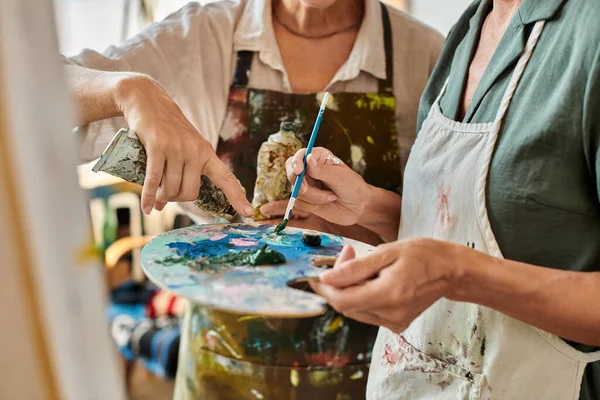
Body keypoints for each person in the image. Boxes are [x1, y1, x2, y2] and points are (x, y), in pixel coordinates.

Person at [63, 0, 443, 398]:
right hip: (222, 367)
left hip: (372, 372)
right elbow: (29, 84)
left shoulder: (426, 54)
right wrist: (127, 89)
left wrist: (360, 221)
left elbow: (460, 240)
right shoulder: (204, 36)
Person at [282, 0, 600, 398]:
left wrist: (458, 274)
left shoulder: (590, 29)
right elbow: (467, 226)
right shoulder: (470, 27)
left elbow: (459, 259)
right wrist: (371, 210)